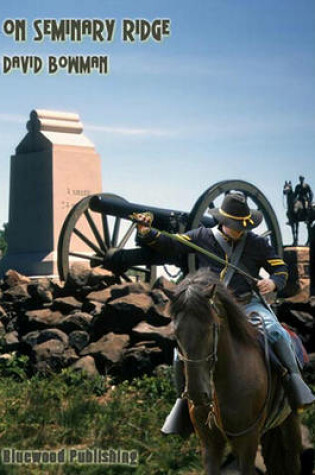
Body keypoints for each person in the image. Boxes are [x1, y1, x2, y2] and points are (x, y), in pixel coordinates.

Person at [135, 192, 315, 435]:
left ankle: (295, 384)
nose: (239, 231)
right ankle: (181, 403)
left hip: (247, 305)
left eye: (242, 226)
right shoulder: (201, 236)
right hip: (210, 308)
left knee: (275, 332)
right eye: (234, 226)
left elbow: (280, 269)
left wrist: (272, 283)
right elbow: (171, 243)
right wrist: (147, 232)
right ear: (223, 222)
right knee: (182, 350)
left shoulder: (257, 243)